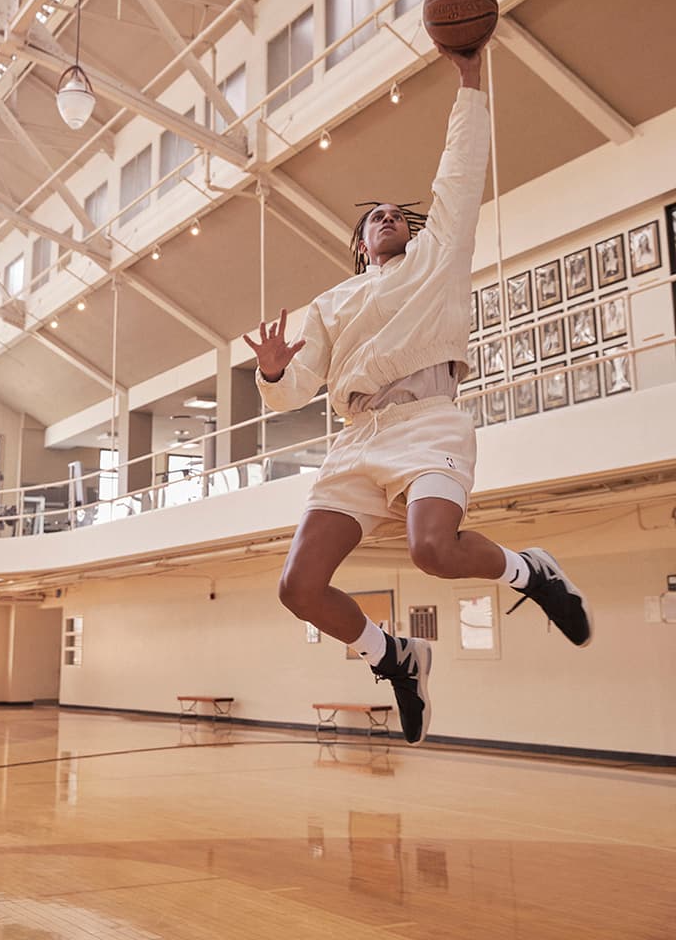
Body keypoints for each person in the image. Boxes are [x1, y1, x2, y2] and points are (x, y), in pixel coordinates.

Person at [243, 42, 592, 746]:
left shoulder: (437, 260)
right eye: (374, 216)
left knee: (432, 549)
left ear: (416, 230)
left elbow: (459, 174)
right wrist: (275, 374)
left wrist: (470, 79)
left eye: (398, 213)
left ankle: (531, 573)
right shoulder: (333, 303)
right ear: (360, 243)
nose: (388, 217)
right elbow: (295, 392)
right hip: (356, 438)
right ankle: (394, 656)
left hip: (428, 422)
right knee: (297, 589)